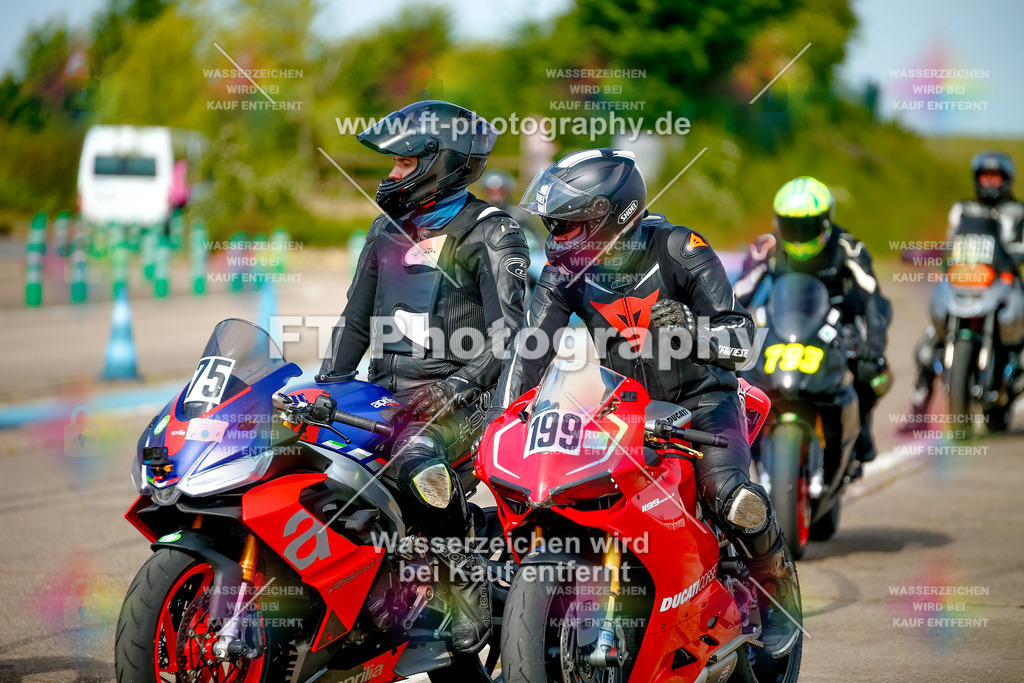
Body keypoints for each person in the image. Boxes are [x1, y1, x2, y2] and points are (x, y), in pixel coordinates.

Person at [486, 148, 800, 657]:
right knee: (555, 498)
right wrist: (503, 422)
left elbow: (741, 338)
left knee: (730, 497)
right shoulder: (562, 271)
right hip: (621, 409)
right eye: (552, 224)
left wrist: (693, 332)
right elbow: (530, 351)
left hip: (702, 403)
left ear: (610, 216)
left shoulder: (680, 247)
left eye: (566, 224)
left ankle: (775, 592)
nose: (556, 236)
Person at [316, 100, 530, 654]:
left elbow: (514, 336)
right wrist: (323, 388)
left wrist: (459, 385)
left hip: (467, 400)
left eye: (402, 165)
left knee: (413, 455)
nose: (390, 176)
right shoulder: (385, 229)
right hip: (385, 398)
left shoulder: (492, 232)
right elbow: (354, 322)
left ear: (443, 163)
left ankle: (463, 584)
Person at [734, 177, 892, 470]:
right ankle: (746, 448)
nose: (798, 235)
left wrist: (875, 342)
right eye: (791, 226)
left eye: (806, 227)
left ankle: (860, 430)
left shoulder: (848, 247)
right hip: (783, 327)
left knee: (873, 373)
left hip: (838, 329)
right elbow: (739, 293)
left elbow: (874, 299)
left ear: (825, 223)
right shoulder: (765, 247)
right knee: (738, 378)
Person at [908, 151, 1024, 418]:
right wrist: (930, 254)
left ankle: (1010, 372)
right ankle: (920, 402)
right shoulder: (963, 209)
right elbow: (949, 244)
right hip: (965, 279)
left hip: (1003, 281)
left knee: (1017, 323)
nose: (990, 184)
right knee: (928, 340)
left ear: (1006, 180)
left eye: (996, 178)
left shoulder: (1018, 212)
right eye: (985, 177)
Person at [480, 170, 545, 244]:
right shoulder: (479, 213)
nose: (496, 196)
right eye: (491, 192)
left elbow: (536, 234)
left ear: (507, 192)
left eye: (500, 191)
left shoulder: (519, 213)